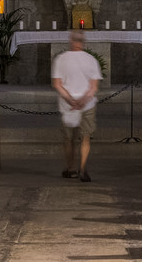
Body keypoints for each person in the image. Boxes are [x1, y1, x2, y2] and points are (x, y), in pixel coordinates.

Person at [51, 29, 101, 182]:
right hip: (87, 104)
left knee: (68, 138)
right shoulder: (91, 60)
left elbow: (57, 84)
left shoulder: (61, 59)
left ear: (71, 41)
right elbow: (93, 87)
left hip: (68, 105)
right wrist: (83, 101)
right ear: (83, 43)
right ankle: (83, 168)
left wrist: (71, 101)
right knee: (85, 137)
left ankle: (70, 168)